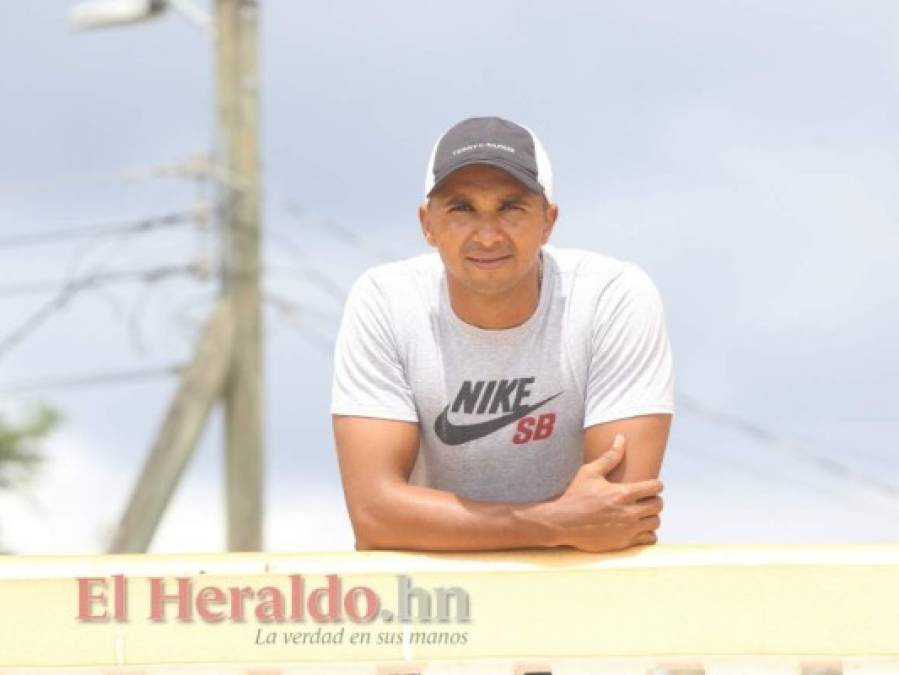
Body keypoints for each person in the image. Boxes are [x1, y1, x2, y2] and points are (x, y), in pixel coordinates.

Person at [330, 116, 674, 553]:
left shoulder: (612, 296)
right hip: (434, 604)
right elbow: (375, 515)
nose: (488, 235)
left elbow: (619, 516)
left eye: (511, 208)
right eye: (462, 209)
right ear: (427, 224)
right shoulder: (386, 301)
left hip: (580, 595)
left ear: (548, 221)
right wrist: (554, 522)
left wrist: (436, 523)